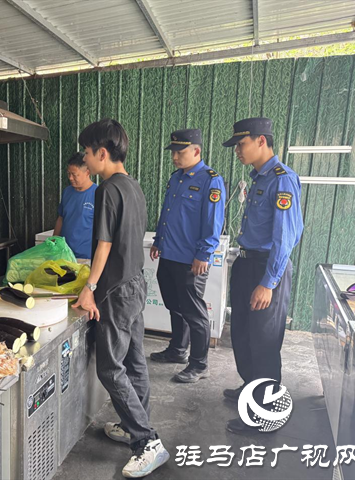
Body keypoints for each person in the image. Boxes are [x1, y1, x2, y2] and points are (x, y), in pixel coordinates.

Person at [73, 118, 169, 478]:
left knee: (110, 368)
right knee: (134, 361)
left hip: (114, 290)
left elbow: (104, 245)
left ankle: (147, 442)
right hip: (135, 283)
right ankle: (135, 427)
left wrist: (90, 288)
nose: (85, 160)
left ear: (102, 153)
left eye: (86, 153)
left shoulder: (107, 189)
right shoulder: (133, 186)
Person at [220, 117, 303, 434]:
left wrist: (268, 283)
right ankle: (251, 387)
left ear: (261, 141)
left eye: (241, 144)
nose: (237, 151)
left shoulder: (282, 180)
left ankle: (266, 414)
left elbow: (286, 237)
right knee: (242, 334)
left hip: (267, 269)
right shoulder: (258, 178)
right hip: (247, 264)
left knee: (264, 342)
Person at [149, 129, 226, 383]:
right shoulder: (176, 178)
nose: (174, 157)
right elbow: (167, 212)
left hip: (191, 259)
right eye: (173, 152)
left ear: (196, 151)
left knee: (194, 312)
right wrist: (158, 240)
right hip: (169, 253)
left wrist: (204, 254)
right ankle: (177, 350)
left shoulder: (210, 180)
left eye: (180, 152)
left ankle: (199, 364)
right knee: (175, 305)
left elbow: (213, 223)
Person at [53, 152, 98, 260]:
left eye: (74, 174)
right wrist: (54, 241)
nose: (70, 178)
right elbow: (61, 218)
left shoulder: (98, 194)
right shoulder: (67, 192)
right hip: (64, 254)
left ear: (87, 172)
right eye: (68, 173)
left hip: (86, 256)